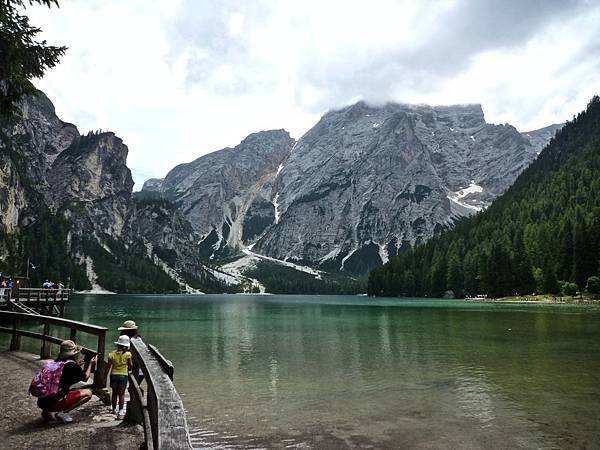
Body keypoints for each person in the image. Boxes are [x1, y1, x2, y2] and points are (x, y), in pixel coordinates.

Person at [37, 340, 97, 423]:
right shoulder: (72, 366)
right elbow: (86, 378)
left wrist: (77, 365)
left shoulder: (56, 362)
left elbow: (64, 374)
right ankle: (63, 412)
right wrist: (91, 364)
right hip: (54, 403)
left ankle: (46, 412)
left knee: (54, 389)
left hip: (41, 402)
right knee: (88, 393)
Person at [106, 335, 132, 419]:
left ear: (117, 345)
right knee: (121, 394)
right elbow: (130, 366)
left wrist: (104, 376)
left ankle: (114, 409)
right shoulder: (128, 354)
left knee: (114, 393)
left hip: (113, 375)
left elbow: (108, 367)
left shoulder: (111, 354)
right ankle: (121, 411)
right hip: (123, 375)